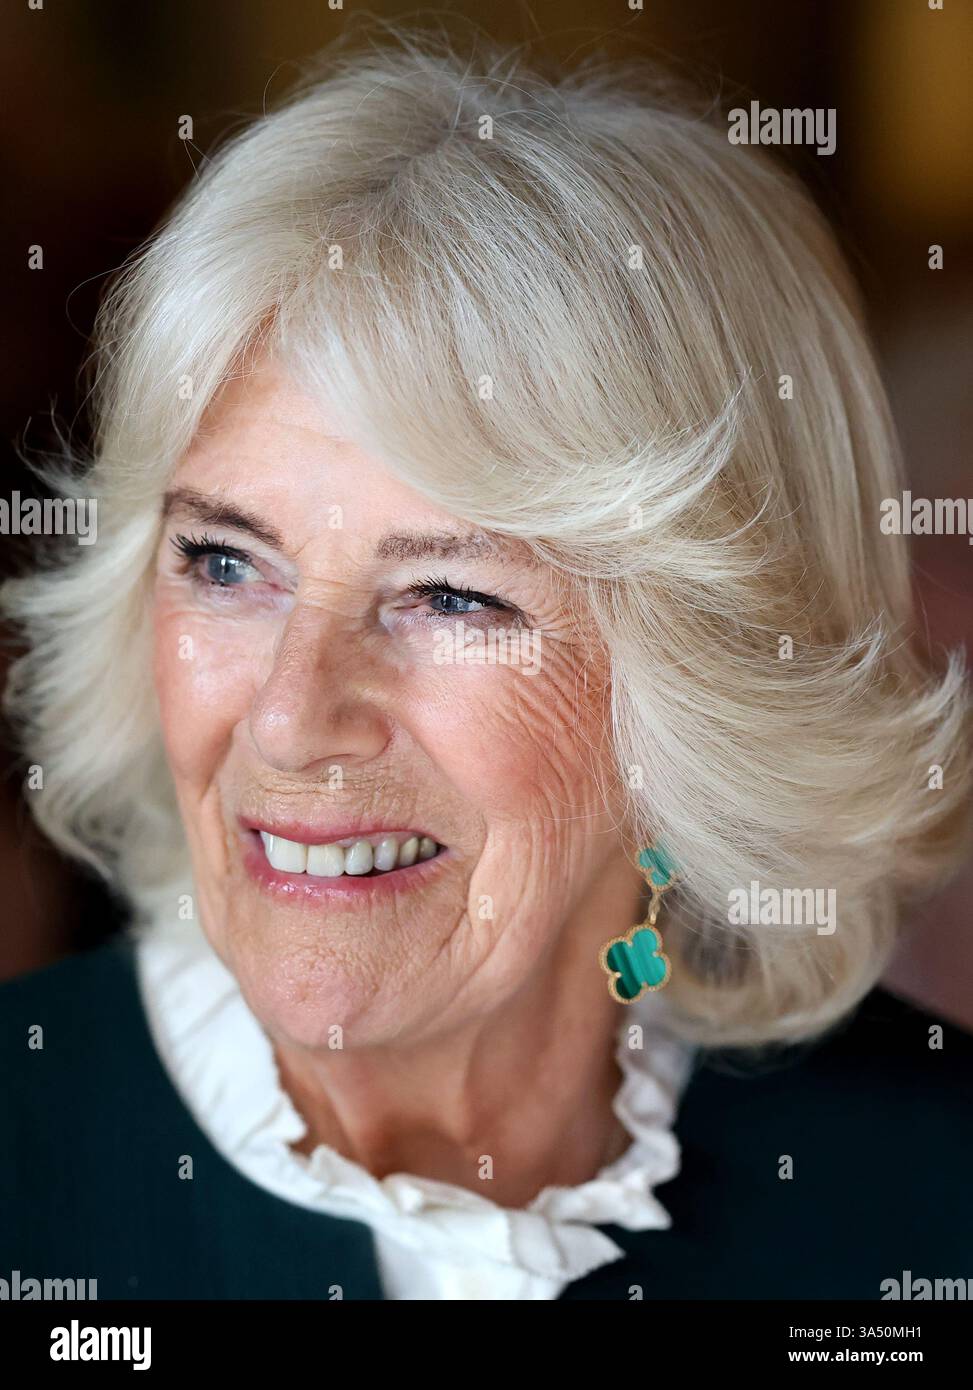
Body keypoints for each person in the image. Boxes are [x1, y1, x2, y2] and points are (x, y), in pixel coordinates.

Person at [1, 26, 970, 1301]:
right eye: (228, 563)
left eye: (449, 594)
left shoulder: (929, 1193)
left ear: (705, 683)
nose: (292, 719)